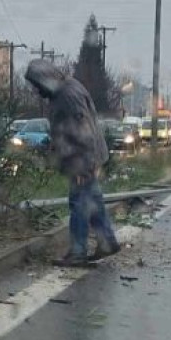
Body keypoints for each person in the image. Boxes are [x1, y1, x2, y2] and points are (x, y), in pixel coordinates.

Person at [24, 58, 121, 266]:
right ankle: (107, 241)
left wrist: (82, 164)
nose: (36, 91)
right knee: (92, 201)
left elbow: (82, 131)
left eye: (36, 85)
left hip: (83, 158)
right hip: (86, 156)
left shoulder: (67, 95)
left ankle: (78, 252)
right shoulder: (67, 89)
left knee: (79, 204)